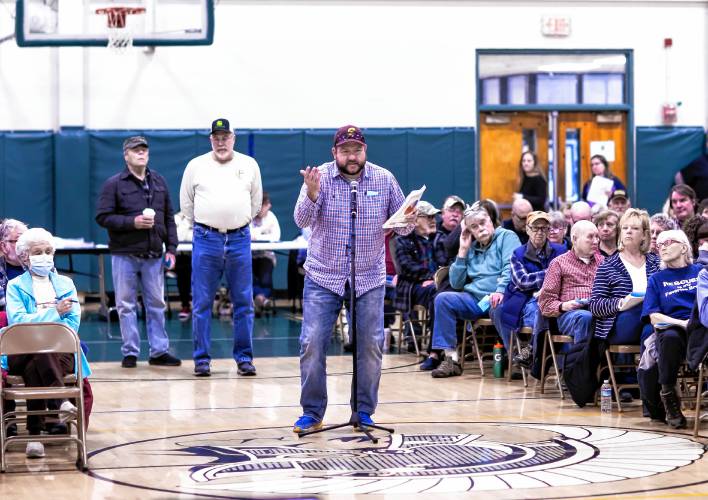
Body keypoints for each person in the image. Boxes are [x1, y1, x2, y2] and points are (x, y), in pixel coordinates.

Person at [292, 125, 415, 433]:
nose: (351, 156)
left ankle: (363, 411)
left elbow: (402, 226)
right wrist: (311, 194)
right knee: (312, 343)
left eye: (356, 150)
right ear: (334, 153)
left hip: (369, 276)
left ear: (365, 151)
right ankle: (312, 412)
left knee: (372, 344)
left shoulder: (384, 179)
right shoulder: (318, 177)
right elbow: (301, 220)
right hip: (323, 275)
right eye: (344, 150)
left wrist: (409, 220)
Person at [180, 118, 263, 377]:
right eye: (216, 137)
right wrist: (210, 224)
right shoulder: (195, 165)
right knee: (202, 303)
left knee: (244, 302)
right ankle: (201, 360)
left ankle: (244, 359)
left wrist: (236, 222)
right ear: (210, 139)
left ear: (233, 138)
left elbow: (255, 202)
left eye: (225, 137)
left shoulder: (249, 165)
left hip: (240, 238)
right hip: (206, 238)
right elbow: (187, 205)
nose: (221, 142)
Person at [2, 228, 93, 458]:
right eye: (38, 251)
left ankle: (35, 435)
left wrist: (45, 326)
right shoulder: (15, 286)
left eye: (48, 251)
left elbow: (73, 322)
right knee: (38, 346)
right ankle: (60, 400)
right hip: (20, 350)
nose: (45, 255)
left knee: (39, 357)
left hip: (60, 350)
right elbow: (19, 323)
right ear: (25, 257)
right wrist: (54, 314)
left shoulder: (65, 284)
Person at [96, 136, 181, 369]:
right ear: (126, 155)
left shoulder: (159, 182)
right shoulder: (113, 184)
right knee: (126, 304)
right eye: (135, 151)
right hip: (124, 254)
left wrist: (172, 249)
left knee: (156, 304)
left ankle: (159, 351)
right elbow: (103, 217)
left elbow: (169, 217)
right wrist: (131, 222)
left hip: (154, 255)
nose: (141, 154)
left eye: (144, 150)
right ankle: (130, 352)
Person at [425, 206, 520, 378]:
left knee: (498, 306)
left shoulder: (507, 236)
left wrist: (500, 291)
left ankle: (515, 359)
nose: (480, 228)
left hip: (502, 296)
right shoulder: (471, 247)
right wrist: (462, 251)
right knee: (443, 299)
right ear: (470, 231)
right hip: (476, 299)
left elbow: (511, 267)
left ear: (490, 221)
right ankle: (451, 360)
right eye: (474, 227)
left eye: (482, 223)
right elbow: (456, 282)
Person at [639, 230, 701, 428]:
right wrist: (682, 323)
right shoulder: (657, 279)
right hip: (674, 327)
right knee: (671, 338)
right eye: (660, 244)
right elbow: (654, 317)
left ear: (684, 247)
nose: (662, 246)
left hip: (701, 325)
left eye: (668, 242)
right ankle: (669, 397)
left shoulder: (700, 272)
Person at [496, 211, 566, 361]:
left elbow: (566, 277)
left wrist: (550, 280)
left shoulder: (560, 251)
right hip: (525, 299)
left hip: (553, 297)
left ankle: (532, 351)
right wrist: (552, 272)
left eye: (544, 228)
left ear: (548, 230)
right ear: (527, 229)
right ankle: (536, 355)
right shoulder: (517, 253)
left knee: (555, 316)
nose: (539, 232)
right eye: (535, 228)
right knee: (539, 312)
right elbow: (523, 281)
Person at [589, 209, 659, 347]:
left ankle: (645, 369)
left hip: (650, 321)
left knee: (651, 331)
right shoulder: (608, 265)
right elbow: (595, 305)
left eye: (634, 228)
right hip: (619, 325)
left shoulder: (656, 262)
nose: (628, 231)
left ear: (644, 235)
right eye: (625, 228)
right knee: (647, 310)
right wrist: (622, 303)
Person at [538, 220, 604, 344]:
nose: (596, 241)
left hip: (599, 311)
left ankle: (616, 362)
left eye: (597, 237)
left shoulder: (604, 263)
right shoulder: (558, 263)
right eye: (590, 237)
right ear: (574, 239)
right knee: (585, 317)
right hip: (570, 315)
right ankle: (581, 362)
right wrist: (563, 306)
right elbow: (545, 303)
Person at [250, 191, 281, 316]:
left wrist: (257, 235)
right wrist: (262, 233)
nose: (268, 207)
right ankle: (262, 299)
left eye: (268, 204)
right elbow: (248, 235)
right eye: (265, 205)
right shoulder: (249, 217)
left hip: (266, 255)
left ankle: (259, 298)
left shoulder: (271, 217)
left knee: (265, 278)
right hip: (250, 256)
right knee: (247, 278)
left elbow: (276, 237)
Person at [174, 211, 193, 321]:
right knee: (182, 272)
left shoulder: (203, 215)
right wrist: (187, 221)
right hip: (182, 256)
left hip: (199, 254)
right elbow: (179, 237)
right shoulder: (177, 218)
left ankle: (202, 307)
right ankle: (185, 306)